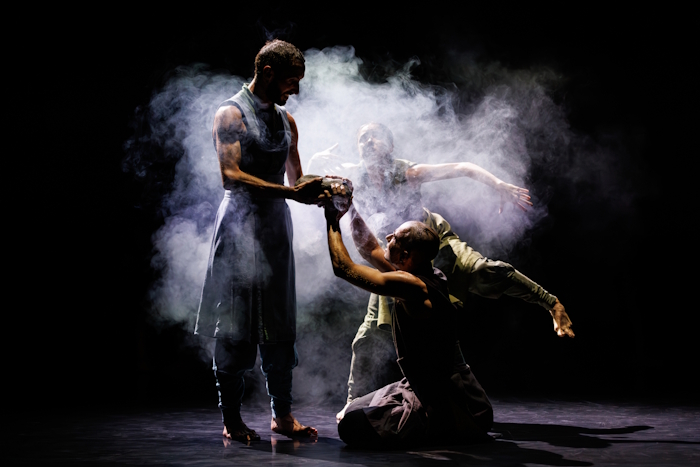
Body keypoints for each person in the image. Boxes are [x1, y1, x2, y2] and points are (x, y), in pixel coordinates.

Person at [307, 123, 574, 419]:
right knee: (370, 331)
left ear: (391, 146)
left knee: (483, 270)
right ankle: (353, 401)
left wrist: (499, 185)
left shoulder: (409, 173)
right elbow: (311, 184)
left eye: (376, 136)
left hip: (431, 241)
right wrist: (316, 161)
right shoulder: (352, 175)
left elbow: (463, 167)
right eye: (362, 137)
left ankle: (550, 302)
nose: (369, 141)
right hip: (397, 251)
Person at [194, 40, 321, 443]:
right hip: (239, 227)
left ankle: (282, 416)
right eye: (290, 80)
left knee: (279, 321)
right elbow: (230, 176)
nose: (295, 89)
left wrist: (326, 187)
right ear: (267, 73)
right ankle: (231, 419)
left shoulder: (287, 121)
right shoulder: (230, 114)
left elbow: (297, 178)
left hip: (275, 229)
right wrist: (290, 193)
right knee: (235, 322)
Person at [320, 188, 498, 447]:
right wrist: (349, 208)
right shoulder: (424, 272)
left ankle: (444, 429)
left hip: (454, 401)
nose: (387, 237)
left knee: (350, 426)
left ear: (405, 257)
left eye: (395, 238)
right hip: (427, 385)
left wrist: (331, 219)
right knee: (353, 409)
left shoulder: (414, 287)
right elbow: (370, 249)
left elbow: (343, 268)